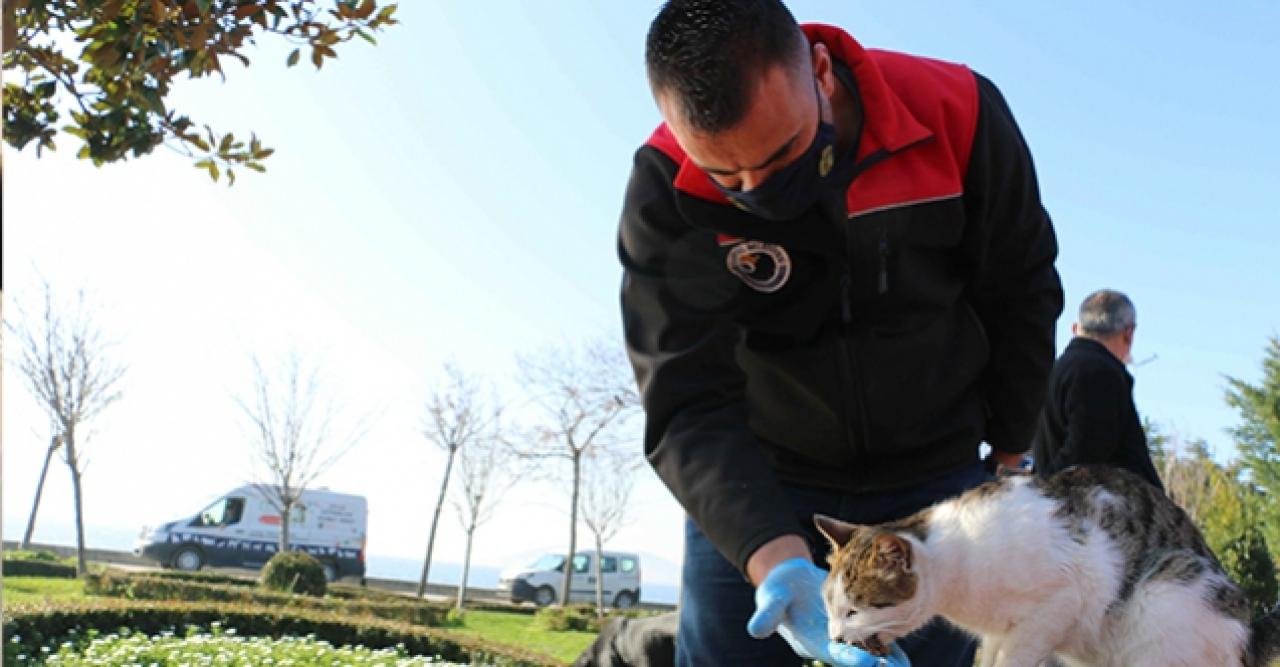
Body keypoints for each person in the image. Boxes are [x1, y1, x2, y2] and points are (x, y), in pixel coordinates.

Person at [618, 1, 1064, 665]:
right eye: (726, 176)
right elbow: (685, 398)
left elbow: (1020, 293)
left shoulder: (958, 112)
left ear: (820, 71)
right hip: (758, 484)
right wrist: (774, 559)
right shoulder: (664, 181)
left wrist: (1006, 451)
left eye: (779, 155)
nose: (757, 190)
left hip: (936, 485)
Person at [1032, 290, 1164, 490]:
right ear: (1129, 334)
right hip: (1100, 510)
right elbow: (1085, 456)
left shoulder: (1055, 371)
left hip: (1059, 507)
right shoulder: (1100, 373)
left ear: (1076, 328)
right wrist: (1045, 491)